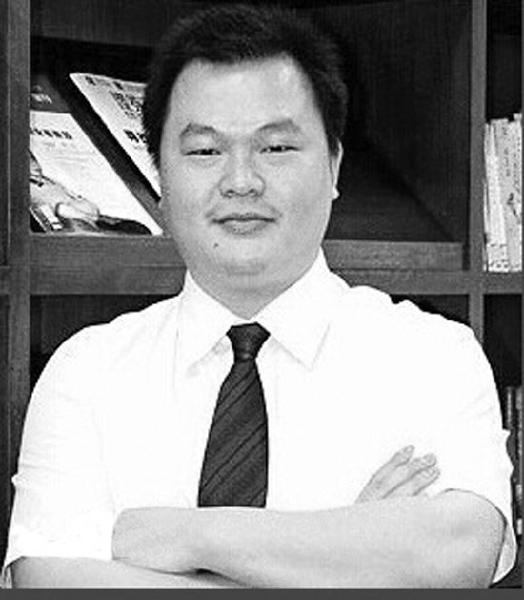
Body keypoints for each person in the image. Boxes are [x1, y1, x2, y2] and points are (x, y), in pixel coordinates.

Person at [3, 3, 516, 588]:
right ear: (160, 175)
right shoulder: (86, 371)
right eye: (205, 151)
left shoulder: (433, 356)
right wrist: (341, 553)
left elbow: (459, 553)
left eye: (275, 148)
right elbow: (48, 581)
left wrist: (186, 536)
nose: (241, 181)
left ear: (334, 165)